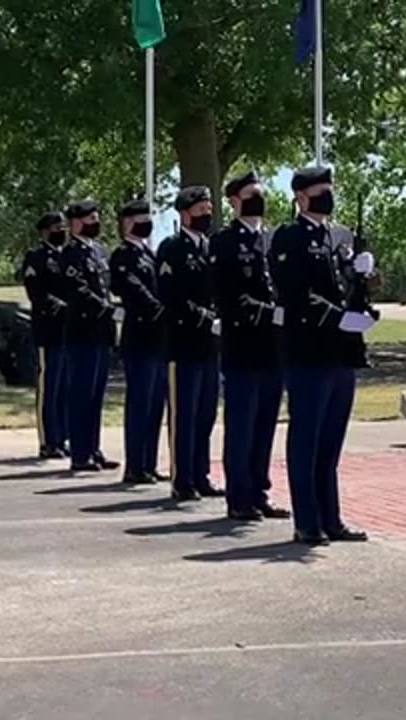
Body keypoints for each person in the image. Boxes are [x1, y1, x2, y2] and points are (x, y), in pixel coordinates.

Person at [268, 166, 374, 546]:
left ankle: (331, 518)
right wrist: (338, 318)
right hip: (308, 351)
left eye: (329, 189)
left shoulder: (338, 235)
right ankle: (307, 520)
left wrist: (360, 273)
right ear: (300, 197)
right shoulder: (288, 237)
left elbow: (345, 286)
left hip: (341, 354)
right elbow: (296, 294)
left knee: (330, 442)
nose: (326, 196)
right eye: (319, 191)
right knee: (307, 439)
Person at [209, 170, 290, 521]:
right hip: (242, 344)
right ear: (234, 201)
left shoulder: (272, 239)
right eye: (251, 194)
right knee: (241, 425)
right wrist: (267, 312)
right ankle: (239, 496)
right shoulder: (225, 242)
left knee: (265, 424)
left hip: (272, 348)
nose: (258, 200)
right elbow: (228, 296)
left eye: (260, 193)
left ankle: (259, 491)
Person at [156, 186, 225, 501]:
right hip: (184, 342)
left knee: (205, 413)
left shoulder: (210, 247)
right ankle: (182, 478)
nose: (206, 215)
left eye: (209, 210)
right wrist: (202, 316)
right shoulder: (172, 248)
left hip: (209, 345)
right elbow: (172, 295)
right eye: (200, 211)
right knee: (183, 414)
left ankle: (201, 474)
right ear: (185, 214)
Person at [108, 198, 168, 484]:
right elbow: (131, 288)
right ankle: (135, 464)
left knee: (156, 403)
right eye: (141, 218)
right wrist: (157, 308)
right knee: (140, 402)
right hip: (140, 335)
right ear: (128, 222)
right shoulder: (123, 255)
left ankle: (149, 462)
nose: (147, 222)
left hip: (158, 338)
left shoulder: (151, 254)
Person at [61, 199, 120, 472]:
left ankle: (93, 448)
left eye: (96, 217)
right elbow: (79, 291)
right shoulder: (70, 253)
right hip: (82, 331)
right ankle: (80, 453)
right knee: (81, 394)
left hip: (102, 333)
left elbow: (107, 286)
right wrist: (105, 308)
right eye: (89, 219)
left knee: (96, 395)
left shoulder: (98, 251)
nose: (94, 223)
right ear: (75, 223)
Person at [20, 211, 73, 460]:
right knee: (49, 387)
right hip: (48, 330)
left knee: (66, 387)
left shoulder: (69, 256)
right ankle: (48, 440)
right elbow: (35, 291)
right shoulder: (36, 257)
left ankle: (64, 437)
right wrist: (58, 305)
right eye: (55, 227)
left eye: (63, 226)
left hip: (69, 332)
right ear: (44, 231)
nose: (60, 230)